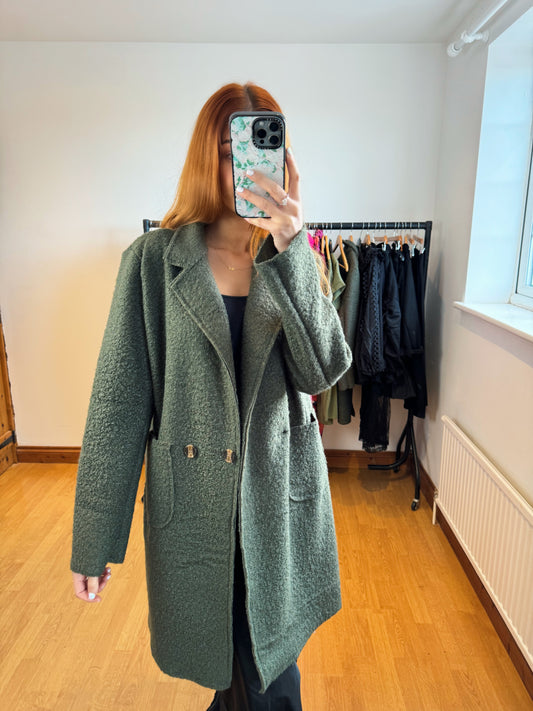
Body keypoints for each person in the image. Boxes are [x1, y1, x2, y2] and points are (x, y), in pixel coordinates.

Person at [70, 82, 352, 710]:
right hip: (195, 504)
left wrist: (291, 247)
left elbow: (324, 370)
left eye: (261, 149)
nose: (246, 166)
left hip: (277, 497)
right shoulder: (152, 261)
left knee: (268, 670)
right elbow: (118, 406)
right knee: (236, 667)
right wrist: (95, 535)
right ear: (206, 156)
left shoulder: (292, 257)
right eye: (231, 151)